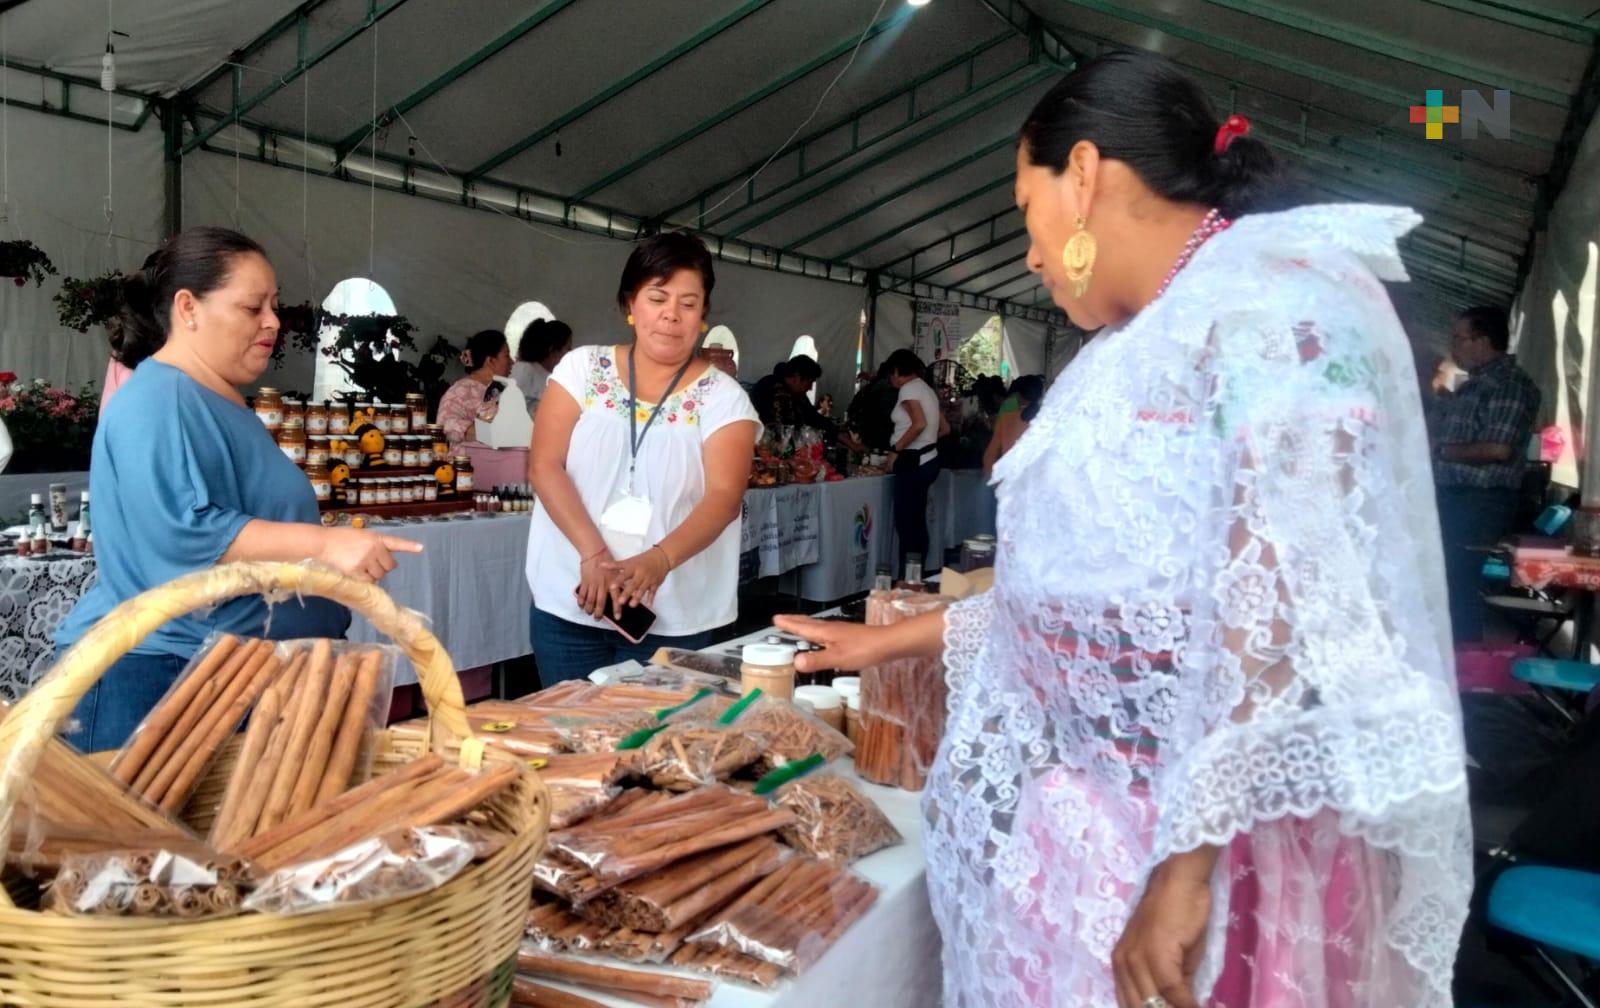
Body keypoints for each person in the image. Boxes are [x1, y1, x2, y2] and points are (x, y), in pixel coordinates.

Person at [776, 52, 1468, 1008]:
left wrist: (1187, 868)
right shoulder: (1124, 345)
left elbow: (1281, 604)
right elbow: (1074, 603)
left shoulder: (1274, 304)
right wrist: (878, 642)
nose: (1029, 252)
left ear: (1085, 174)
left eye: (1026, 209)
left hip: (1203, 855)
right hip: (1090, 836)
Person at [53, 227, 422, 751]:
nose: (273, 321)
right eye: (253, 307)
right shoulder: (160, 398)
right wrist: (322, 545)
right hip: (161, 680)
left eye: (274, 305)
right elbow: (181, 534)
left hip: (224, 675)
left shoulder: (219, 400)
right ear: (188, 308)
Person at [525, 232, 759, 683]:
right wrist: (592, 553)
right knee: (568, 725)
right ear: (630, 303)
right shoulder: (582, 369)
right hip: (570, 601)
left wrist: (659, 561)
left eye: (688, 303)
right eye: (657, 298)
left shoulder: (724, 398)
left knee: (662, 729)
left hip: (676, 616)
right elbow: (544, 465)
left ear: (703, 315)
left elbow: (724, 498)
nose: (671, 314)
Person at [1432, 305, 1540, 641]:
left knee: (1458, 582)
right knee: (1445, 583)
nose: (1453, 346)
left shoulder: (1509, 384)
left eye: (1459, 338)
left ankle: (1463, 658)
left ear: (1483, 341)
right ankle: (1452, 656)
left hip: (1479, 501)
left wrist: (1440, 451)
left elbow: (1498, 449)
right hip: (1456, 497)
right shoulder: (1474, 385)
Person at [884, 348, 949, 573]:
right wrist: (927, 441)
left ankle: (908, 579)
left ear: (896, 371)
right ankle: (916, 575)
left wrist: (897, 449)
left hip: (913, 461)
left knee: (907, 525)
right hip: (929, 458)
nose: (890, 381)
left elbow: (919, 423)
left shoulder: (908, 389)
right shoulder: (927, 390)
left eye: (890, 375)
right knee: (917, 522)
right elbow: (944, 428)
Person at [438, 329, 512, 453]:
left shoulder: (505, 390)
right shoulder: (461, 390)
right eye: (506, 355)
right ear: (490, 360)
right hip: (468, 463)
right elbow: (446, 425)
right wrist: (486, 433)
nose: (512, 361)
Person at [982, 373, 1045, 476]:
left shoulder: (1006, 420)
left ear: (1018, 395)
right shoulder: (1049, 423)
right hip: (1037, 480)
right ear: (1041, 397)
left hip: (1010, 479)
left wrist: (996, 480)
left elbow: (989, 457)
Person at [750, 355, 831, 432]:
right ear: (797, 377)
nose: (810, 388)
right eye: (809, 382)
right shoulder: (775, 389)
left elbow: (812, 416)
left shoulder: (796, 392)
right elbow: (784, 428)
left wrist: (834, 429)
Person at [511, 317, 573, 416]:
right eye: (568, 349)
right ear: (553, 350)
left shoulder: (558, 376)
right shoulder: (524, 370)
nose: (571, 353)